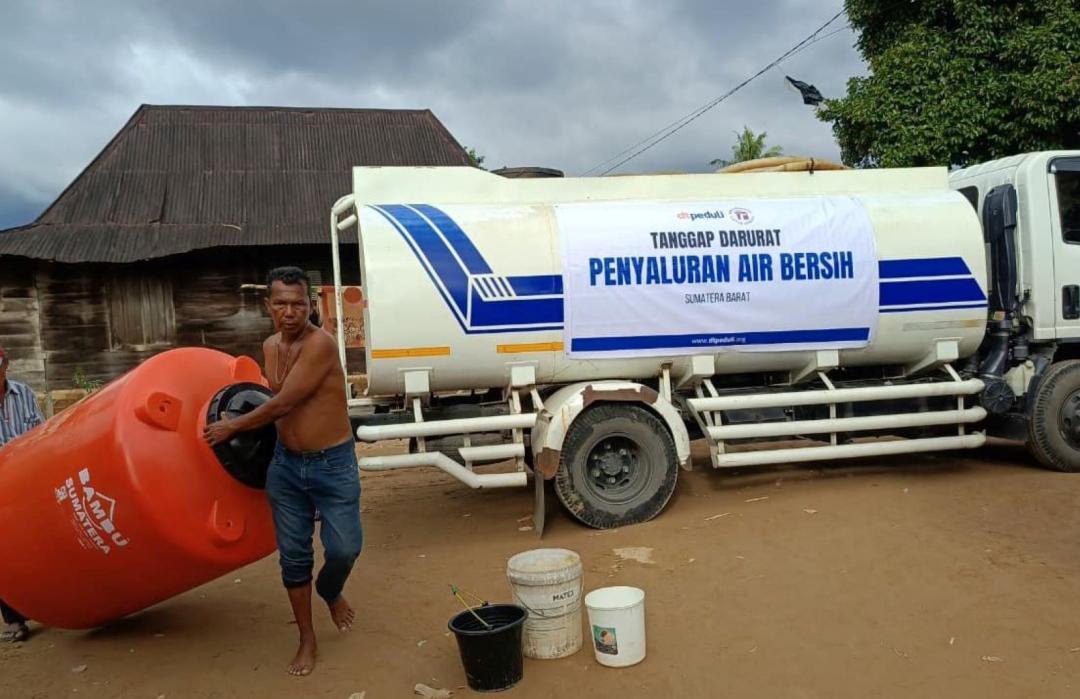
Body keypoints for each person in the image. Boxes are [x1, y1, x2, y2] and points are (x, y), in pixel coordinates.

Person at [203, 267, 361, 677]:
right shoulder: (270, 345)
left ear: (310, 305)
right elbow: (265, 397)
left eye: (298, 303)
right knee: (293, 558)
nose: (290, 312)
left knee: (344, 549)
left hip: (332, 463)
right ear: (268, 306)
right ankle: (307, 638)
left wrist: (232, 426)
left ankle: (330, 589)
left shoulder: (321, 345)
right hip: (286, 466)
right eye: (281, 304)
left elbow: (283, 402)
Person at [0, 344, 45, 642]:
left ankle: (54, 603)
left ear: (5, 365)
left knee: (44, 544)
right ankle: (15, 620)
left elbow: (41, 431)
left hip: (28, 480)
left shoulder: (23, 393)